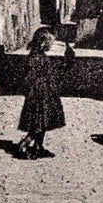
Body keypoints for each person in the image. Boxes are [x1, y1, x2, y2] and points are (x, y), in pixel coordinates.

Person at [16, 27, 67, 159]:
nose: (51, 45)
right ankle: (24, 145)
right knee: (38, 123)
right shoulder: (35, 58)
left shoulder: (40, 57)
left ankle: (38, 146)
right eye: (50, 42)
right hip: (39, 95)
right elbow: (30, 78)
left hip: (46, 93)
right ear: (43, 42)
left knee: (44, 122)